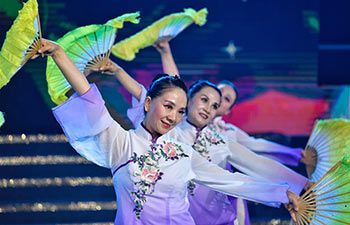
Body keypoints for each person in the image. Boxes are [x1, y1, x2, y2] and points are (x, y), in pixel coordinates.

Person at [34, 39, 300, 225]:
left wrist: (280, 193)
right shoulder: (121, 144)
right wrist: (59, 53)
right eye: (168, 106)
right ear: (148, 103)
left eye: (180, 111)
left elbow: (232, 181)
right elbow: (91, 99)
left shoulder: (184, 153)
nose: (173, 116)